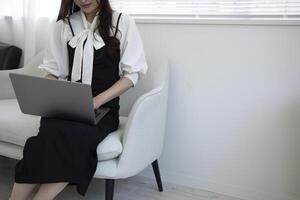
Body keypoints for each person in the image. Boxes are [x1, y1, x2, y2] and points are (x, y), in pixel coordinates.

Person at [9, 0, 148, 199]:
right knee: (47, 134)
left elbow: (132, 75)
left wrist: (97, 101)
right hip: (66, 104)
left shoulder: (122, 23)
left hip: (104, 108)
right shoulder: (64, 26)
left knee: (74, 137)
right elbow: (53, 72)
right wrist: (52, 95)